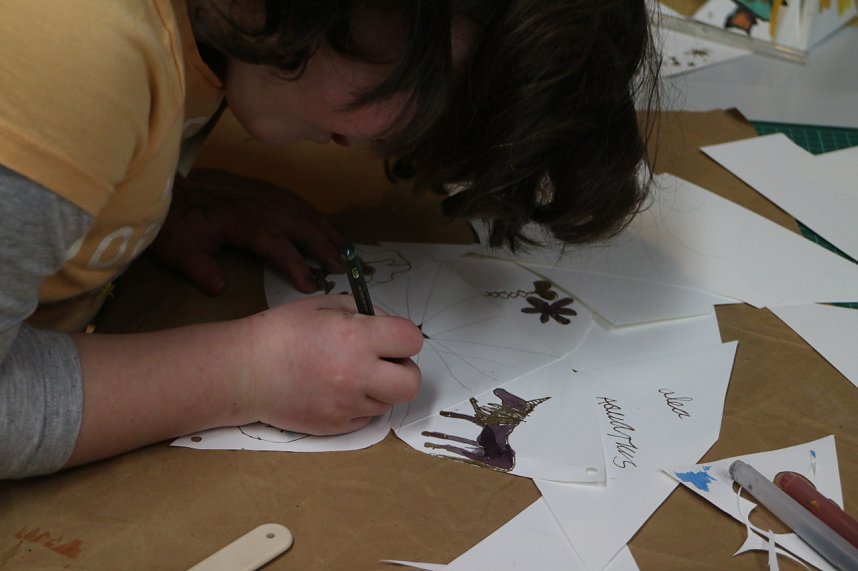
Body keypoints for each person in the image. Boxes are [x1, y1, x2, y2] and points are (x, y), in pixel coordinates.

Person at [0, 0, 658, 479]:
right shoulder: (77, 46)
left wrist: (143, 197)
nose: (391, 144)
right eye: (431, 90)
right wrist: (246, 372)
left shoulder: (208, 33)